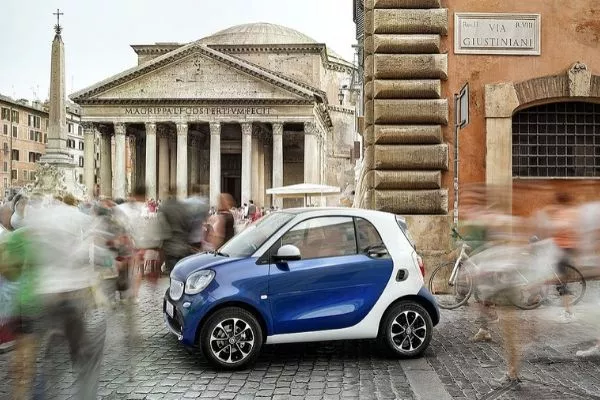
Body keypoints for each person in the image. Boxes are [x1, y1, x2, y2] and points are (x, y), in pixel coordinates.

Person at [159, 187, 193, 272]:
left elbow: (161, 226)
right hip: (182, 243)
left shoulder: (164, 207)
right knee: (182, 271)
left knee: (173, 272)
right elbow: (188, 225)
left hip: (169, 245)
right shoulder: (183, 207)